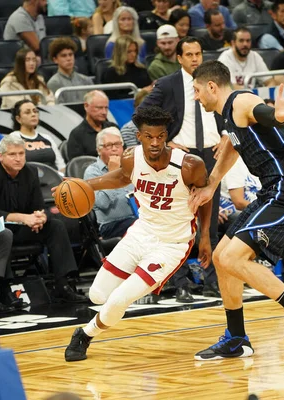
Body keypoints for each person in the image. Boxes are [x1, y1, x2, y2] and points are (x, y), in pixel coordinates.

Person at [189, 60, 284, 360]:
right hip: (271, 190)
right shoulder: (225, 117)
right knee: (219, 257)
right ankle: (237, 338)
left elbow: (260, 111)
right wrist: (212, 184)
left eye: (198, 90)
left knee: (231, 257)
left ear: (212, 86)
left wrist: (276, 115)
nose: (196, 97)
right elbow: (232, 144)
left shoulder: (241, 100)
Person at [63, 106, 213, 362]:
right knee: (97, 295)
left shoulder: (189, 165)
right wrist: (83, 185)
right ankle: (120, 299)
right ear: (139, 136)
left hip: (172, 243)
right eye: (148, 136)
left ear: (166, 135)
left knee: (119, 299)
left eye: (160, 136)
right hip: (140, 233)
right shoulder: (132, 158)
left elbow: (207, 197)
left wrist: (206, 235)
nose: (155, 143)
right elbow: (122, 177)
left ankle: (84, 335)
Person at [138, 37, 224, 300]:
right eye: (189, 54)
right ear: (179, 58)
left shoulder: (213, 81)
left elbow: (228, 111)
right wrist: (167, 141)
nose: (195, 58)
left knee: (209, 222)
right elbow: (141, 114)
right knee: (177, 223)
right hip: (180, 157)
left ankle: (212, 281)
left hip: (211, 154)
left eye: (198, 53)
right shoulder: (167, 84)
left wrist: (226, 135)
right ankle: (180, 283)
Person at [0, 133, 87, 303]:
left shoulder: (30, 171)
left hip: (23, 228)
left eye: (21, 154)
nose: (18, 159)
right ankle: (4, 291)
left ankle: (63, 285)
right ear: (0, 156)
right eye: (12, 154)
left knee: (55, 226)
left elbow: (38, 206)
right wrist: (23, 218)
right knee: (5, 233)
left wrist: (41, 217)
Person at [84, 127, 138, 239]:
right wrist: (112, 173)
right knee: (140, 227)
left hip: (138, 218)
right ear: (99, 150)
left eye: (118, 145)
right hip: (112, 225)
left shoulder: (131, 166)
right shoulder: (92, 172)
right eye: (109, 145)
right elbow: (103, 203)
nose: (114, 149)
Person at [218, 28, 284, 89]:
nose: (245, 44)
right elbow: (231, 86)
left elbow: (270, 81)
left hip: (253, 97)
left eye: (248, 41)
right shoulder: (225, 58)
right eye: (241, 41)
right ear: (233, 43)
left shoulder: (255, 56)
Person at [11, 100, 66, 173]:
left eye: (35, 111)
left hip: (53, 179)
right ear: (18, 119)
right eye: (27, 112)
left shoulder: (47, 137)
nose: (33, 114)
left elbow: (61, 166)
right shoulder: (13, 138)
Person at [67, 91, 118, 160]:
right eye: (99, 108)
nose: (104, 112)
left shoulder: (113, 128)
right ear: (86, 106)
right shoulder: (77, 135)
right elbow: (77, 165)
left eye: (106, 108)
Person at [102, 35, 153, 100]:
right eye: (129, 52)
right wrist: (141, 93)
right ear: (120, 52)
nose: (133, 54)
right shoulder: (110, 73)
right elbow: (112, 98)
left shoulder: (142, 70)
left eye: (135, 51)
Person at [47, 37, 94, 105]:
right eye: (64, 56)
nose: (69, 58)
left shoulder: (86, 80)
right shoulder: (53, 83)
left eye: (70, 54)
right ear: (55, 60)